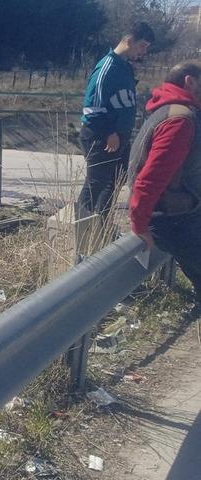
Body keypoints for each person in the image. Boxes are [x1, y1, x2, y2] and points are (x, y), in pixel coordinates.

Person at [128, 61, 201, 308]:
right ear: (190, 81)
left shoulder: (170, 110)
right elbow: (150, 178)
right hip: (174, 219)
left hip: (180, 214)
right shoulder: (180, 119)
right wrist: (140, 224)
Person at [78, 22, 155, 218]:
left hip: (119, 137)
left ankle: (100, 227)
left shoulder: (125, 68)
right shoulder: (107, 67)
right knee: (96, 184)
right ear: (129, 41)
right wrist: (108, 133)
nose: (143, 52)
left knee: (113, 182)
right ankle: (81, 230)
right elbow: (91, 108)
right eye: (142, 46)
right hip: (101, 137)